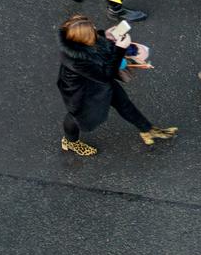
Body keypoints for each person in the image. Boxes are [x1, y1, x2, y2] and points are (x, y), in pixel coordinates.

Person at [56, 14, 175, 157]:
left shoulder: (77, 41)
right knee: (77, 116)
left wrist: (104, 35)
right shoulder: (77, 61)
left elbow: (98, 58)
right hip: (82, 93)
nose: (95, 28)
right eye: (92, 30)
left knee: (124, 104)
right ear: (84, 38)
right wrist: (120, 49)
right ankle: (70, 142)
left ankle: (147, 129)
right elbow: (106, 75)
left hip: (98, 82)